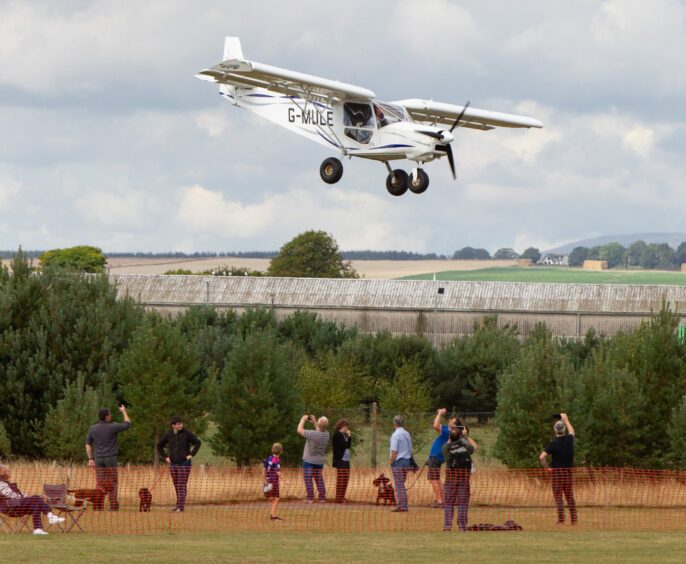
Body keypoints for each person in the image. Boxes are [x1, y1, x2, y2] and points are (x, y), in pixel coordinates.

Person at [85, 405, 131, 511]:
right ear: (106, 417)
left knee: (100, 482)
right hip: (110, 458)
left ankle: (99, 505)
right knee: (113, 482)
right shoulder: (113, 426)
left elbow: (88, 444)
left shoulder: (93, 428)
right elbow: (128, 424)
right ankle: (113, 505)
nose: (110, 416)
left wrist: (90, 459)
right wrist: (123, 411)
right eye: (109, 415)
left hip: (98, 458)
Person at [0, 464, 65, 535]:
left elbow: (19, 494)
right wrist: (27, 498)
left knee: (35, 503)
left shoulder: (7, 483)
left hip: (17, 505)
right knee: (36, 498)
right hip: (10, 507)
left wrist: (28, 497)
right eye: (7, 470)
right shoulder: (1, 483)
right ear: (2, 472)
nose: (9, 471)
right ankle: (50, 516)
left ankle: (38, 529)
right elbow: (11, 495)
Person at [156, 415, 202, 513]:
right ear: (173, 426)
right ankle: (178, 505)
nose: (180, 425)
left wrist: (191, 454)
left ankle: (180, 507)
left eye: (181, 423)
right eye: (178, 424)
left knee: (181, 484)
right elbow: (159, 445)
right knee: (176, 484)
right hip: (173, 463)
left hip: (185, 463)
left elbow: (198, 442)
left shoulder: (186, 433)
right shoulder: (168, 435)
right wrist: (165, 457)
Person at [539, 413, 577, 525]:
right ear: (564, 429)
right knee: (570, 497)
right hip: (568, 473)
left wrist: (547, 468)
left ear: (555, 430)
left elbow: (541, 457)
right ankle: (574, 520)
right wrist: (566, 419)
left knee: (558, 497)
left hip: (557, 474)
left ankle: (561, 520)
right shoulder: (570, 440)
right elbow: (572, 431)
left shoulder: (553, 443)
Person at [442, 426, 477, 531]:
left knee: (449, 502)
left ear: (450, 437)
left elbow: (446, 445)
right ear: (460, 437)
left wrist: (450, 437)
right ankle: (462, 526)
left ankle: (447, 526)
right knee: (463, 502)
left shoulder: (446, 448)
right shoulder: (465, 447)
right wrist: (465, 437)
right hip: (464, 478)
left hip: (450, 478)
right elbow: (472, 448)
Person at [427, 408, 459, 508]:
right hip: (437, 457)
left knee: (433, 479)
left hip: (436, 457)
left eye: (452, 421)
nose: (449, 421)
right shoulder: (447, 429)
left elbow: (435, 426)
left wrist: (440, 413)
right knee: (436, 479)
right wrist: (439, 414)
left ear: (455, 425)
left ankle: (440, 501)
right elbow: (437, 424)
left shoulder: (449, 432)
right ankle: (442, 499)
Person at [297, 414, 329, 502]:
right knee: (319, 479)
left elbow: (299, 430)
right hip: (319, 461)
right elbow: (320, 429)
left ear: (319, 424)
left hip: (309, 460)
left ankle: (310, 498)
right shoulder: (327, 434)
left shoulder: (312, 434)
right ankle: (322, 497)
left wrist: (303, 420)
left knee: (308, 478)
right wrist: (315, 422)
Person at [389, 414, 412, 513]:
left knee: (399, 485)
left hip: (398, 462)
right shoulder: (407, 433)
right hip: (407, 461)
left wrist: (391, 461)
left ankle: (402, 506)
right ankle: (403, 505)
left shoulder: (395, 435)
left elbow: (394, 451)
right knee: (401, 484)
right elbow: (410, 448)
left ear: (394, 423)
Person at [332, 419, 352, 503]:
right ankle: (339, 498)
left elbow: (348, 445)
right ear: (342, 427)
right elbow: (344, 445)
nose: (347, 429)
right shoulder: (337, 435)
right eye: (346, 427)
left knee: (346, 478)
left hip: (346, 460)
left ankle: (342, 496)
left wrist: (349, 437)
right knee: (341, 479)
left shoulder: (344, 435)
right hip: (340, 461)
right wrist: (347, 438)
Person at [264, 442, 284, 521]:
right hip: (274, 481)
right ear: (281, 451)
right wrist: (285, 481)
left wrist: (264, 479)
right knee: (277, 497)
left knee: (271, 496)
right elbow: (278, 472)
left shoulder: (268, 458)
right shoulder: (277, 460)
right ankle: (272, 515)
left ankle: (272, 514)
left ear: (272, 450)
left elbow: (264, 469)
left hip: (268, 480)